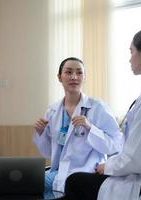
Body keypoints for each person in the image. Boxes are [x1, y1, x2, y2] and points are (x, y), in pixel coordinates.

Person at [65, 26, 141, 200]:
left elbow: (137, 159)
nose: (130, 59)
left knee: (75, 182)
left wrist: (106, 166)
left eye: (132, 52)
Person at [33, 57, 124, 193]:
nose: (74, 77)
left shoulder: (98, 107)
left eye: (79, 73)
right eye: (68, 72)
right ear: (59, 77)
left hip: (86, 173)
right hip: (59, 174)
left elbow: (116, 145)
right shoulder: (52, 111)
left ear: (84, 77)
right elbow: (48, 153)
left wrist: (90, 128)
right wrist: (40, 134)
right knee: (26, 184)